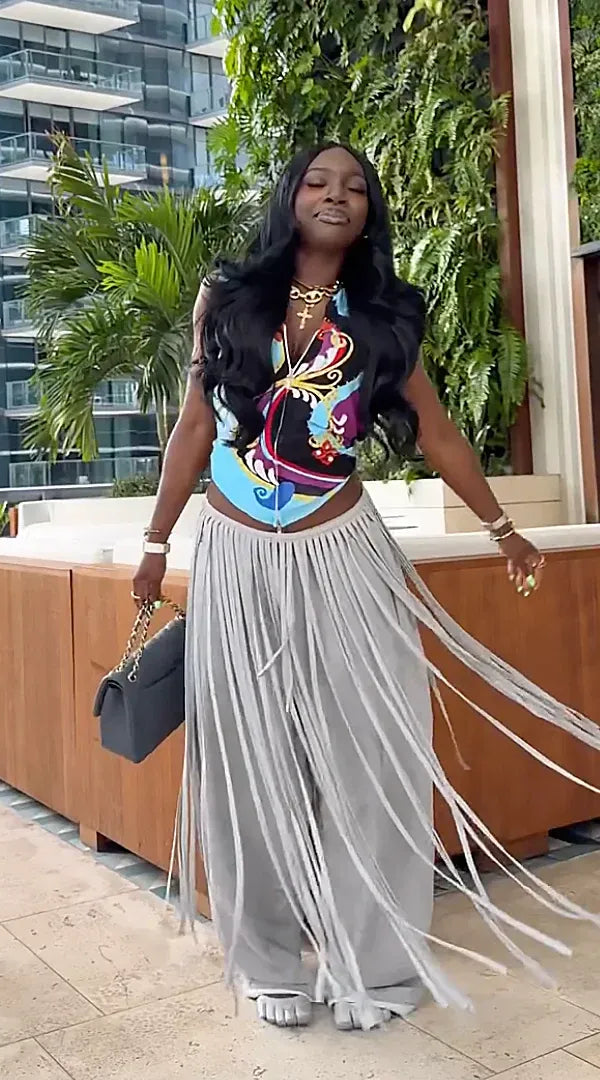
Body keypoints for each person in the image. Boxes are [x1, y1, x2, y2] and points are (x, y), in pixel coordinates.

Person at [133, 144, 600, 1032]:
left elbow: (438, 431)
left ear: (368, 213)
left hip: (344, 550)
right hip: (232, 552)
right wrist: (155, 543)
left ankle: (373, 967)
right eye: (317, 181)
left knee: (373, 752)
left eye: (354, 187)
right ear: (290, 197)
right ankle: (266, 962)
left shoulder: (381, 316)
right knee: (247, 759)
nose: (335, 196)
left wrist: (503, 528)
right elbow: (195, 425)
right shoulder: (227, 298)